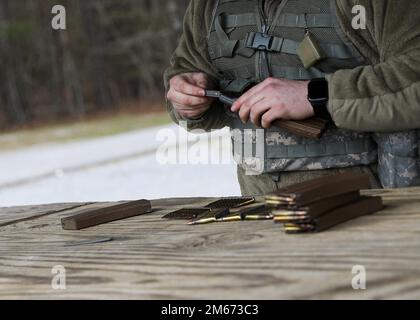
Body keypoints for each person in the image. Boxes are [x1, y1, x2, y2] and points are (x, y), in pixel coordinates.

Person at [164, 0, 420, 196]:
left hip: (372, 210)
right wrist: (187, 99)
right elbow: (186, 72)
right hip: (261, 216)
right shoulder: (208, 6)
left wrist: (318, 95)